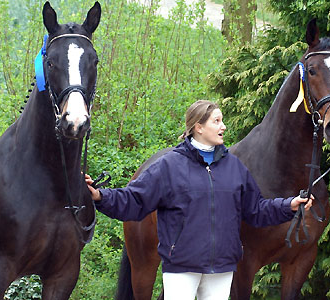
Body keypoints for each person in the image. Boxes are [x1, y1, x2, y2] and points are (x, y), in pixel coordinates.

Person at [85, 100, 313, 300]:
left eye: (222, 121)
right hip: (182, 267)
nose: (223, 126)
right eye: (217, 121)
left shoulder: (233, 167)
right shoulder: (169, 166)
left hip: (221, 269)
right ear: (198, 127)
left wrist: (288, 205)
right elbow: (134, 200)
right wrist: (99, 195)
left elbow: (255, 210)